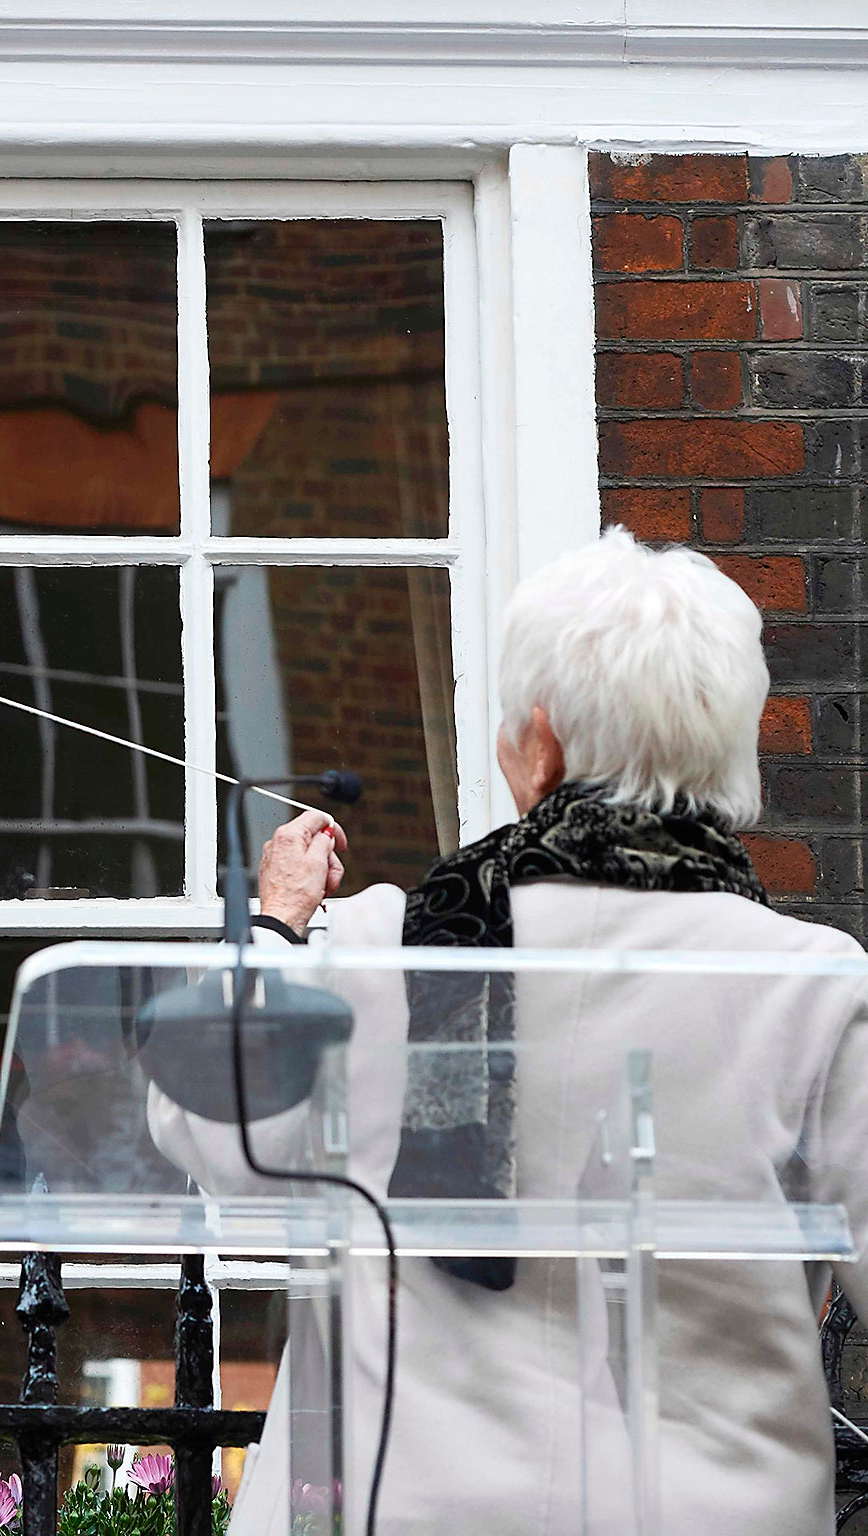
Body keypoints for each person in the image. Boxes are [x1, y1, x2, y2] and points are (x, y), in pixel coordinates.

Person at [147, 528, 868, 1534]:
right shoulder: (811, 986)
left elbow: (201, 1127)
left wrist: (274, 919)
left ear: (540, 742)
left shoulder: (380, 945)